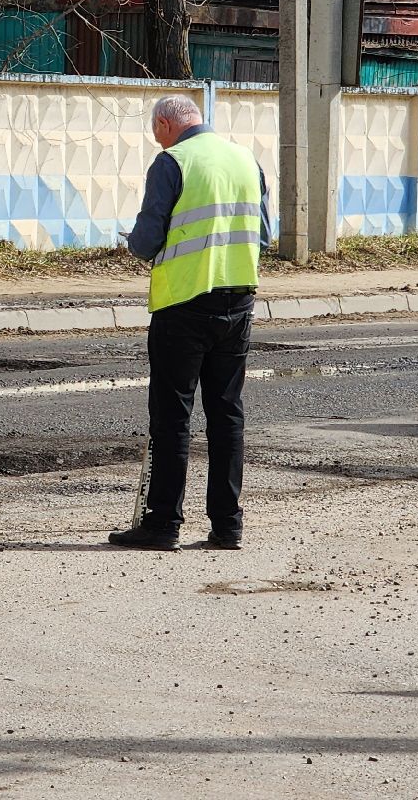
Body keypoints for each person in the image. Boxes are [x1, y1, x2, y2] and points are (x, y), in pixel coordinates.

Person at [110, 95, 272, 551]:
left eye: (154, 130)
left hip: (183, 303)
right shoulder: (246, 159)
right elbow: (263, 234)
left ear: (166, 124)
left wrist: (132, 243)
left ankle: (162, 524)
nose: (155, 139)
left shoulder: (171, 162)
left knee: (172, 418)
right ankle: (227, 526)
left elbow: (146, 241)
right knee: (227, 415)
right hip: (238, 301)